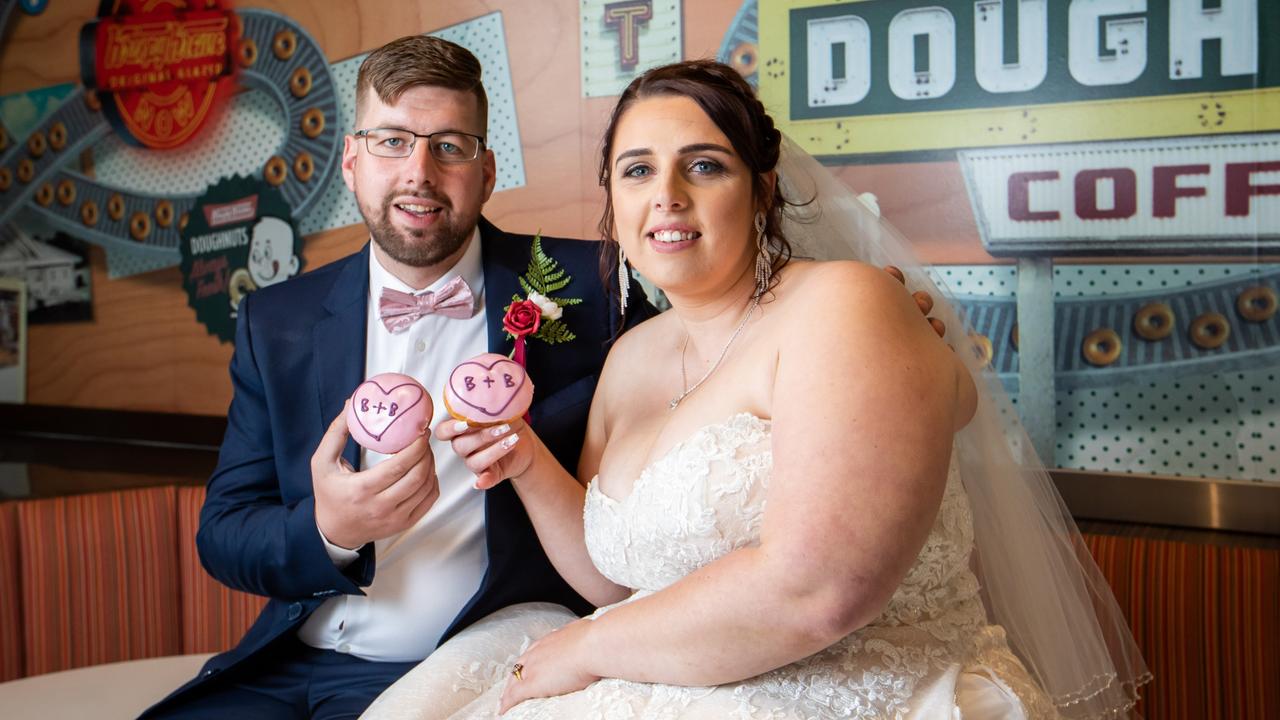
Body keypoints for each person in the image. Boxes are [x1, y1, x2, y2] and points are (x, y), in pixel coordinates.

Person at [361, 61, 1150, 719]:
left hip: (859, 688)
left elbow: (820, 592)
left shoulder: (844, 303)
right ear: (614, 198)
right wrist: (525, 459)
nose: (666, 193)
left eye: (703, 164)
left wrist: (587, 646)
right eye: (637, 170)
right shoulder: (631, 356)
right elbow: (618, 577)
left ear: (763, 190)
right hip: (668, 679)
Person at [141, 35, 657, 719]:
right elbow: (224, 534)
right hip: (289, 663)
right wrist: (329, 528)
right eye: (391, 142)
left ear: (487, 170)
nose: (419, 171)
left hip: (463, 669)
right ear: (351, 162)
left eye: (449, 145)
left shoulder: (598, 290)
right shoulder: (276, 320)